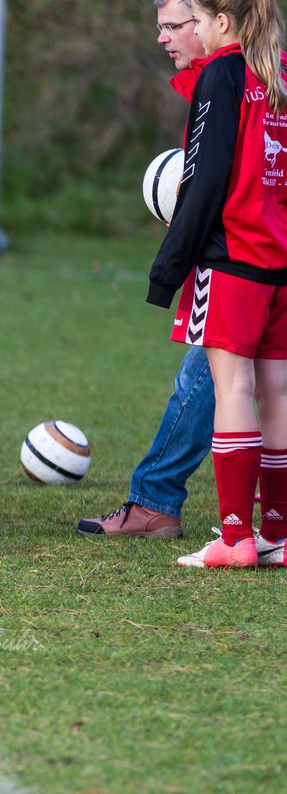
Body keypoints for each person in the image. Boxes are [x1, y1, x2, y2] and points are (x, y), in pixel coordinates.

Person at [144, 0, 287, 566]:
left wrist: (168, 268)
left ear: (222, 22)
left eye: (194, 21)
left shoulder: (221, 74)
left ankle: (235, 539)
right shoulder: (278, 71)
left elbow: (202, 181)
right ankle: (276, 533)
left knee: (232, 390)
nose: (191, 33)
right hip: (280, 261)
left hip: (232, 260)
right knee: (277, 393)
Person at [77, 0, 214, 539]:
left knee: (208, 375)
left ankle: (157, 500)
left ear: (215, 21)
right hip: (257, 251)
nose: (162, 38)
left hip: (250, 258)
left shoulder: (231, 81)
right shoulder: (246, 76)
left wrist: (188, 234)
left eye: (174, 25)